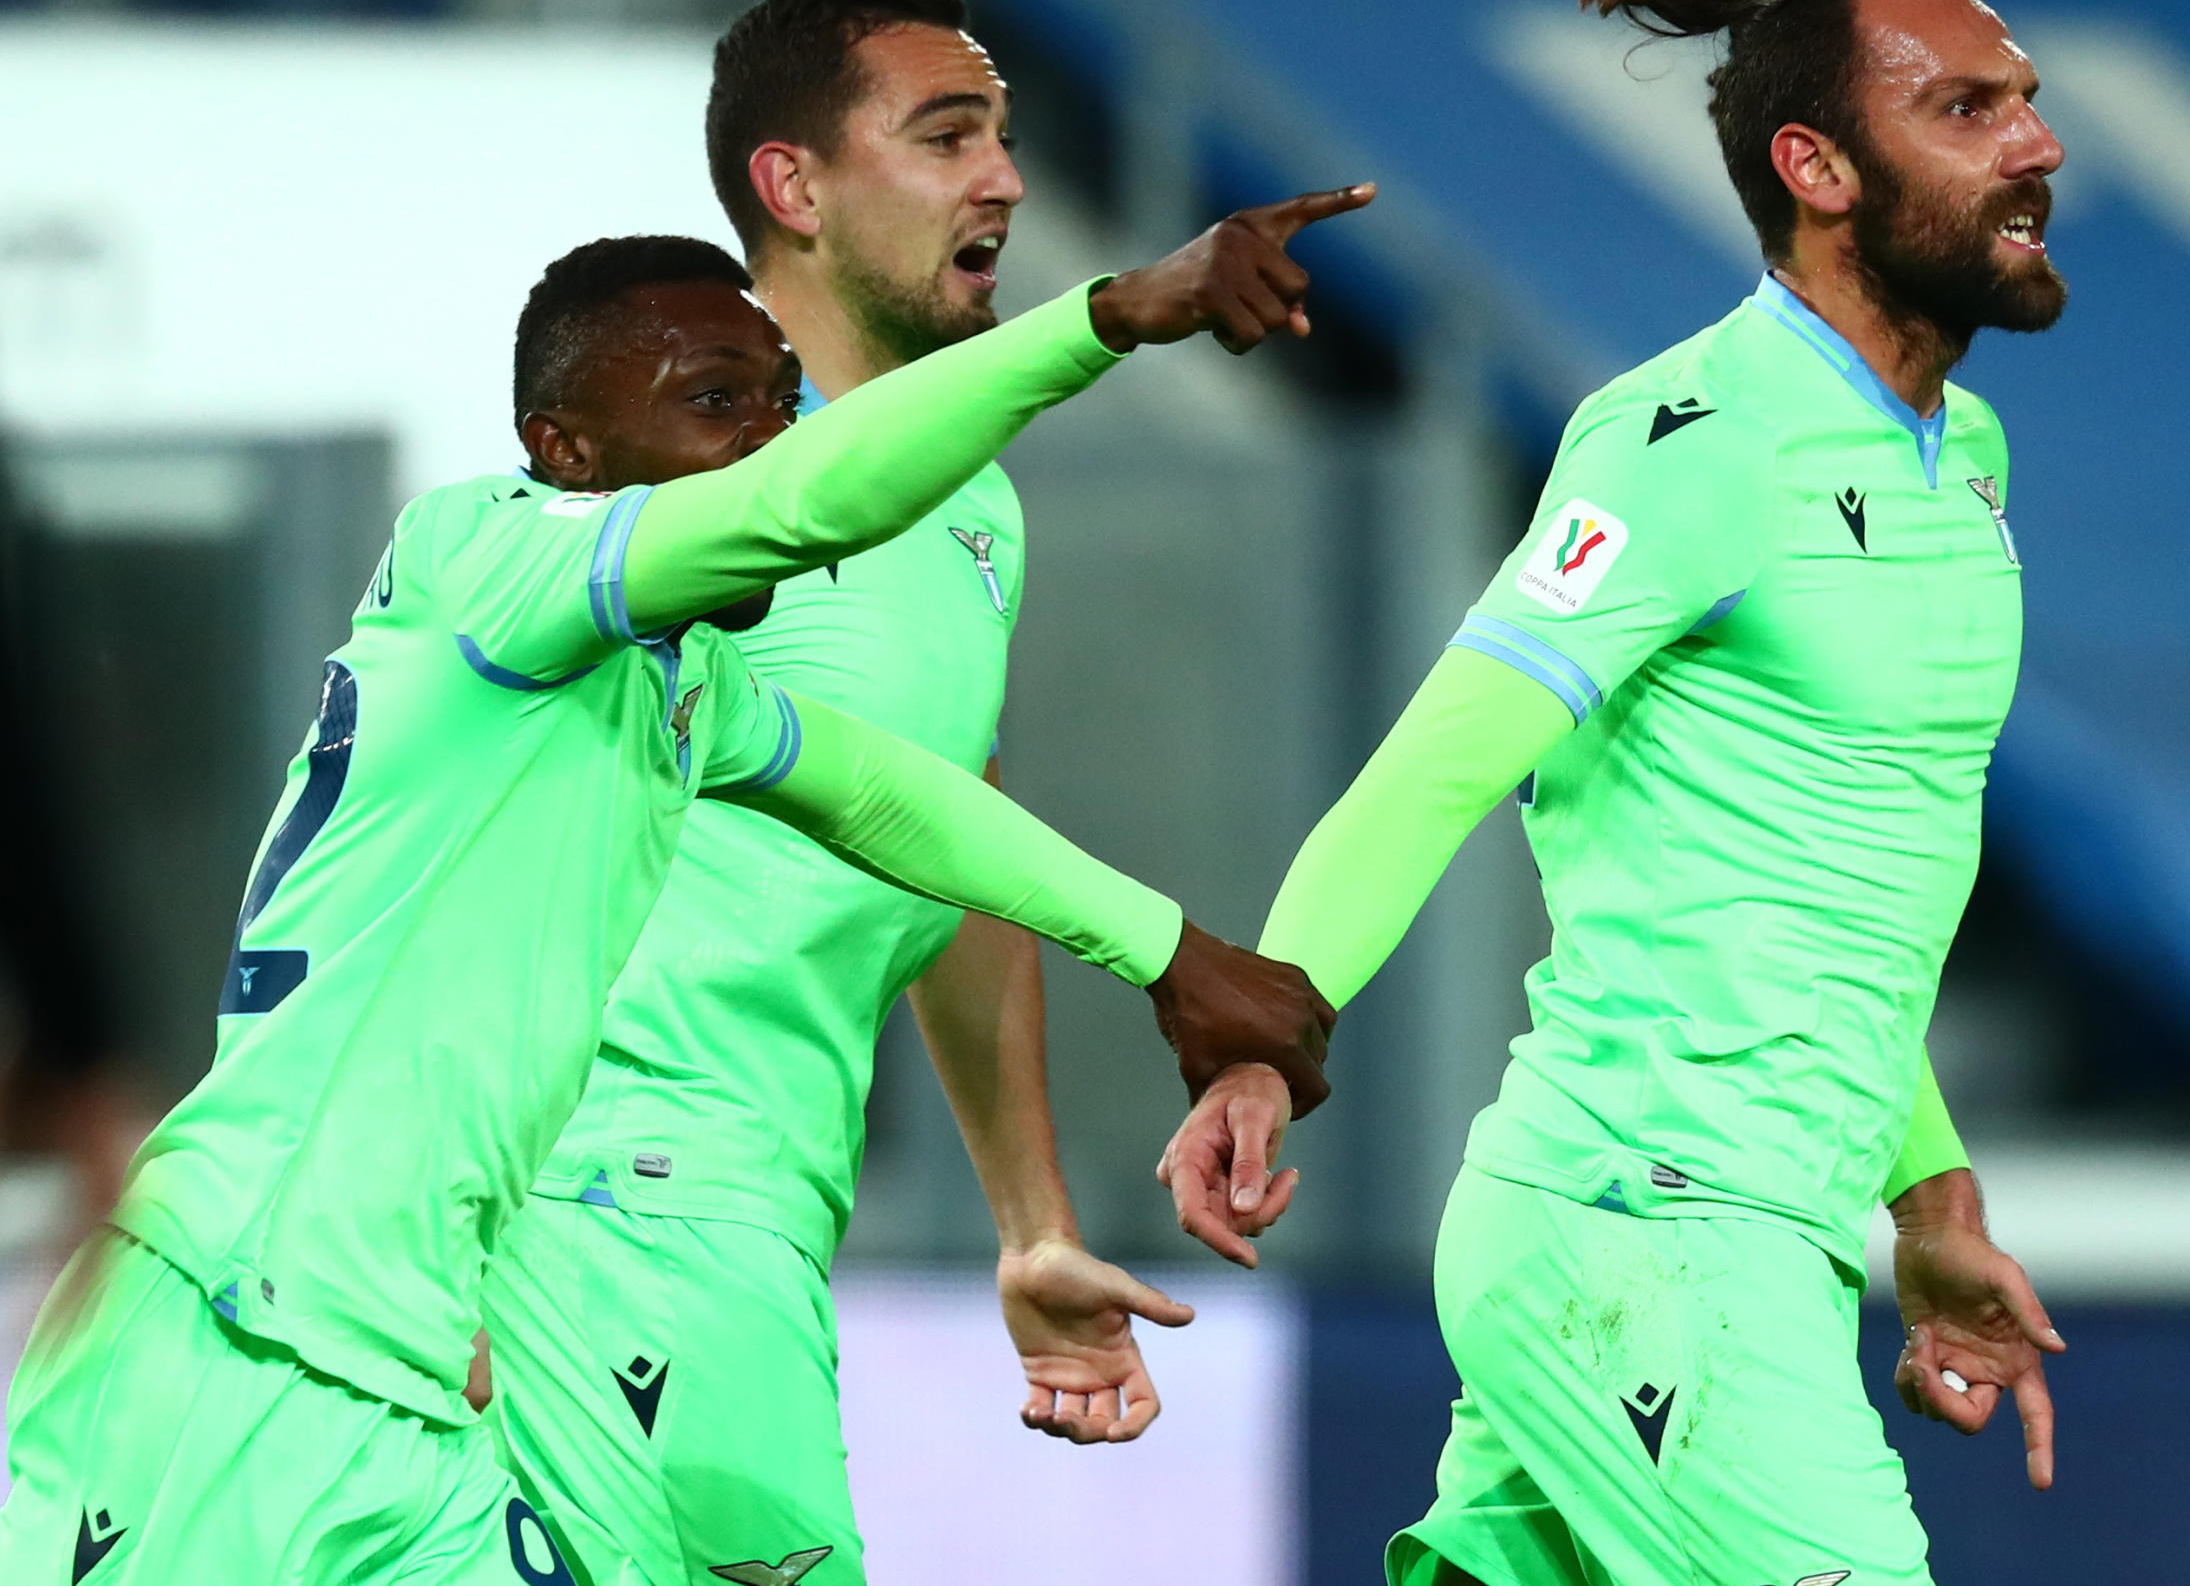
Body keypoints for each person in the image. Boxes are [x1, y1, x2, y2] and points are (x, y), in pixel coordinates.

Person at [0, 196, 1353, 1584]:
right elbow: (802, 505)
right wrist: (1112, 316)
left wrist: (1167, 950)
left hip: (408, 1380)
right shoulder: (492, 559)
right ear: (566, 450)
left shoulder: (682, 682)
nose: (769, 436)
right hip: (236, 1334)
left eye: (780, 399)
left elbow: (889, 796)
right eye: (714, 401)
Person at [1161, 0, 2070, 1586]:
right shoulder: (1690, 443)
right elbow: (1439, 762)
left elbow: (1837, 887)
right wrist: (1261, 1041)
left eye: (2022, 97)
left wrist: (1929, 1201)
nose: (2037, 141)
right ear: (1819, 168)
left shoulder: (1970, 459)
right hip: (1645, 1223)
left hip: (1739, 1238)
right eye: (1969, 109)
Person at [483, 0, 1357, 1586]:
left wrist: (1031, 1219)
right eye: (947, 135)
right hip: (608, 1209)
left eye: (1004, 136)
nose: (1003, 179)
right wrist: (1115, 312)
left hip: (741, 1222)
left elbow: (951, 848)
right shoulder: (673, 484)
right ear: (794, 186)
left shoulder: (976, 509)